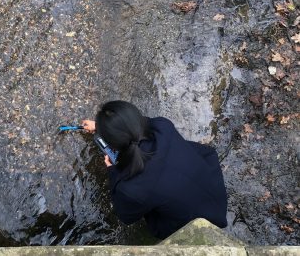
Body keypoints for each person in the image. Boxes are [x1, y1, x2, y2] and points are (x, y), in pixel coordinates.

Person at [82, 100, 227, 239]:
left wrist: (112, 170)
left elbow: (126, 216)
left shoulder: (132, 188)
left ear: (113, 144)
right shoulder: (162, 126)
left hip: (194, 225)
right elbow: (138, 125)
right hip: (214, 191)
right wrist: (104, 127)